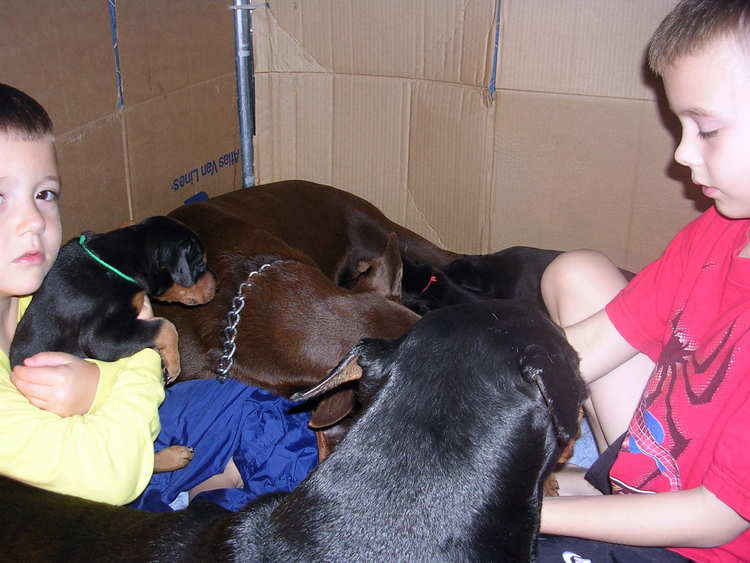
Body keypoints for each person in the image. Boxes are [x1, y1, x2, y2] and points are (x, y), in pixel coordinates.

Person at [0, 83, 317, 511]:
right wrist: (144, 355)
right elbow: (111, 479)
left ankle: (202, 493)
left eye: (44, 194)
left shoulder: (33, 293)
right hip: (95, 496)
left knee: (267, 415)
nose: (32, 221)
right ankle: (200, 507)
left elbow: (102, 366)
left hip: (125, 427)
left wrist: (100, 383)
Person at [537, 1, 750, 561]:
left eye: (705, 129)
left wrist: (522, 509)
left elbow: (716, 521)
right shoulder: (718, 234)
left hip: (703, 538)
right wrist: (468, 398)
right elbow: (594, 344)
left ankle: (602, 495)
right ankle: (614, 485)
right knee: (574, 272)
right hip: (667, 463)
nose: (680, 154)